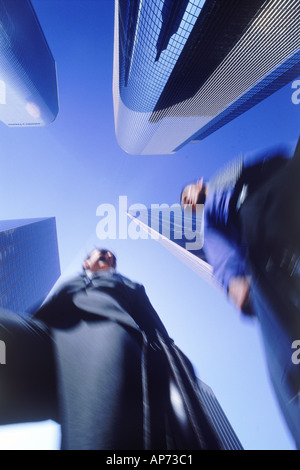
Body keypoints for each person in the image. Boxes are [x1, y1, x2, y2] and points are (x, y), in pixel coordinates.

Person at [0, 248, 223, 450]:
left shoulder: (130, 285)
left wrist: (172, 363)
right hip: (47, 337)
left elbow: (155, 328)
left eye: (112, 257)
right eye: (103, 253)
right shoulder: (72, 281)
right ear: (86, 263)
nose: (109, 256)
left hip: (101, 335)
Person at [180, 139, 300, 448]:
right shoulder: (211, 218)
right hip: (260, 223)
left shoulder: (239, 176)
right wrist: (235, 283)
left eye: (188, 196)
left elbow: (278, 159)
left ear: (199, 185)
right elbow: (221, 260)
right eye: (187, 205)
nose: (189, 203)